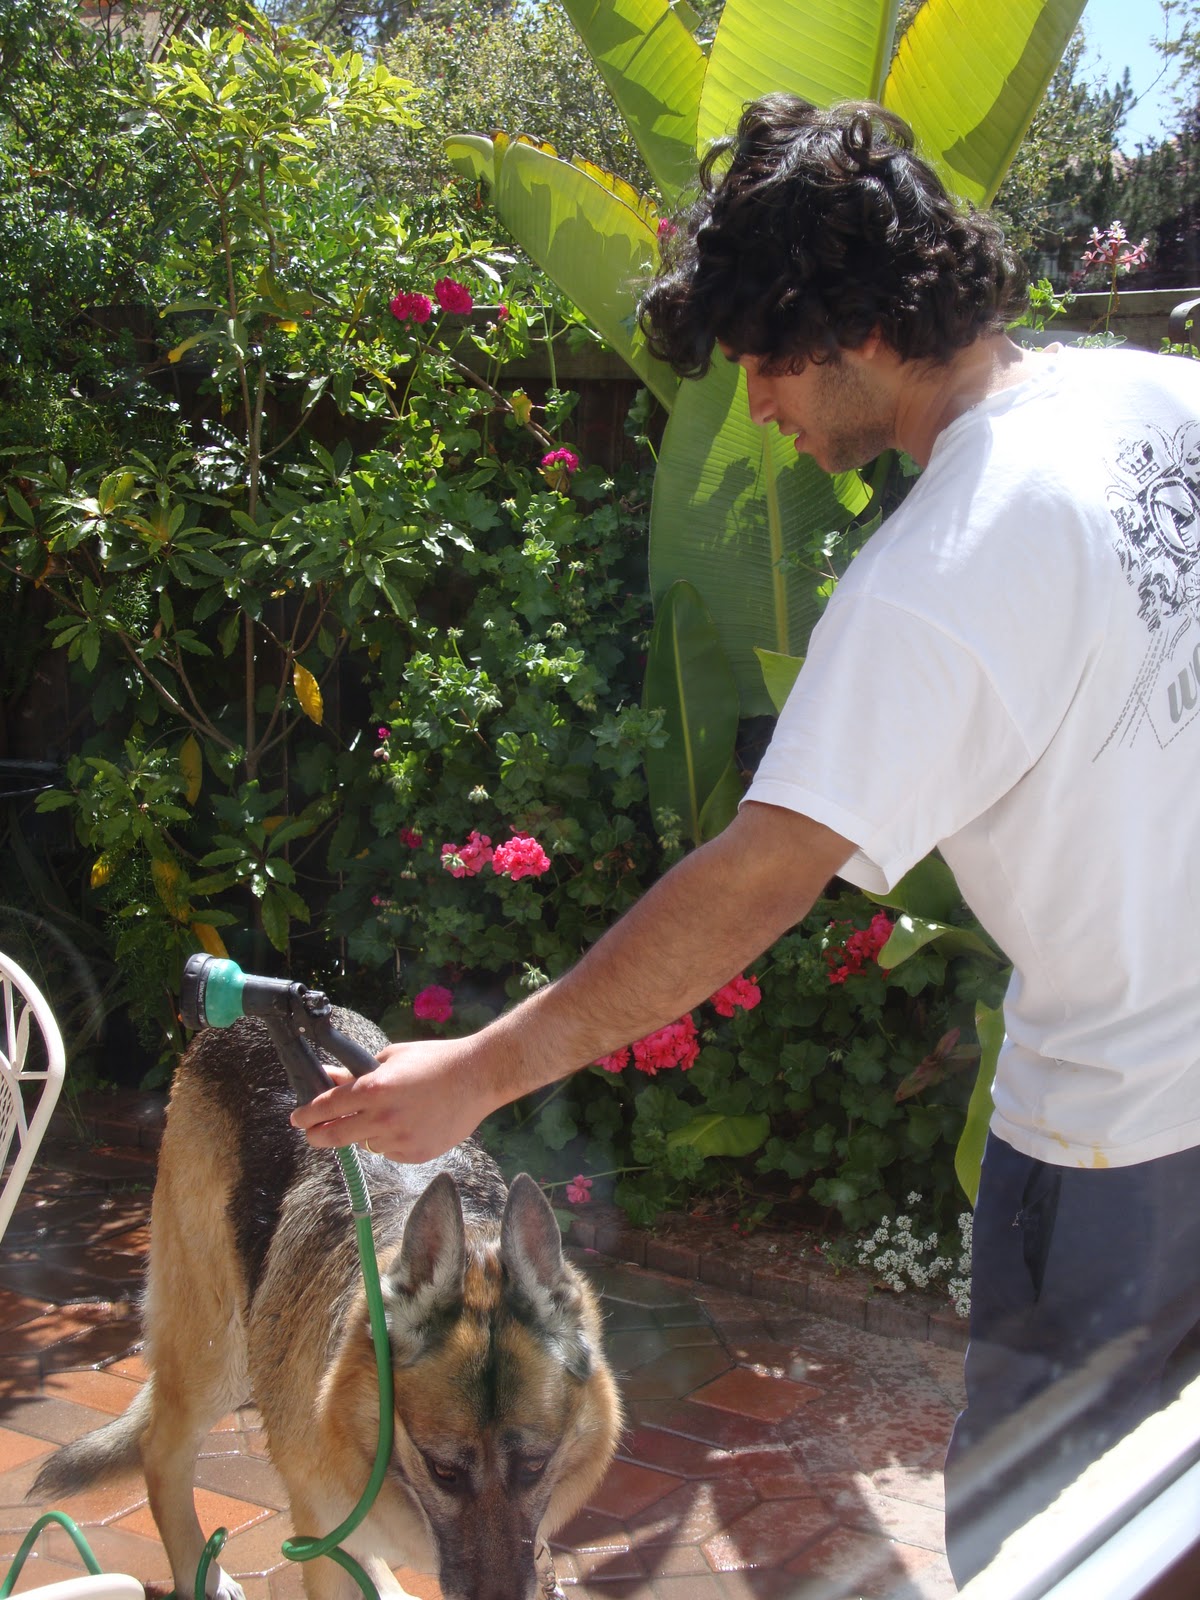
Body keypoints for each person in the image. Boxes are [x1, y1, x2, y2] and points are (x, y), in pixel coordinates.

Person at [293, 96, 1200, 1585]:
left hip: (1122, 1152)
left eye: (762, 370)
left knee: (1057, 1550)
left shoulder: (940, 573)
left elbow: (758, 877)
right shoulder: (1163, 400)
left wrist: (482, 1070)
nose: (759, 412)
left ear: (841, 332)